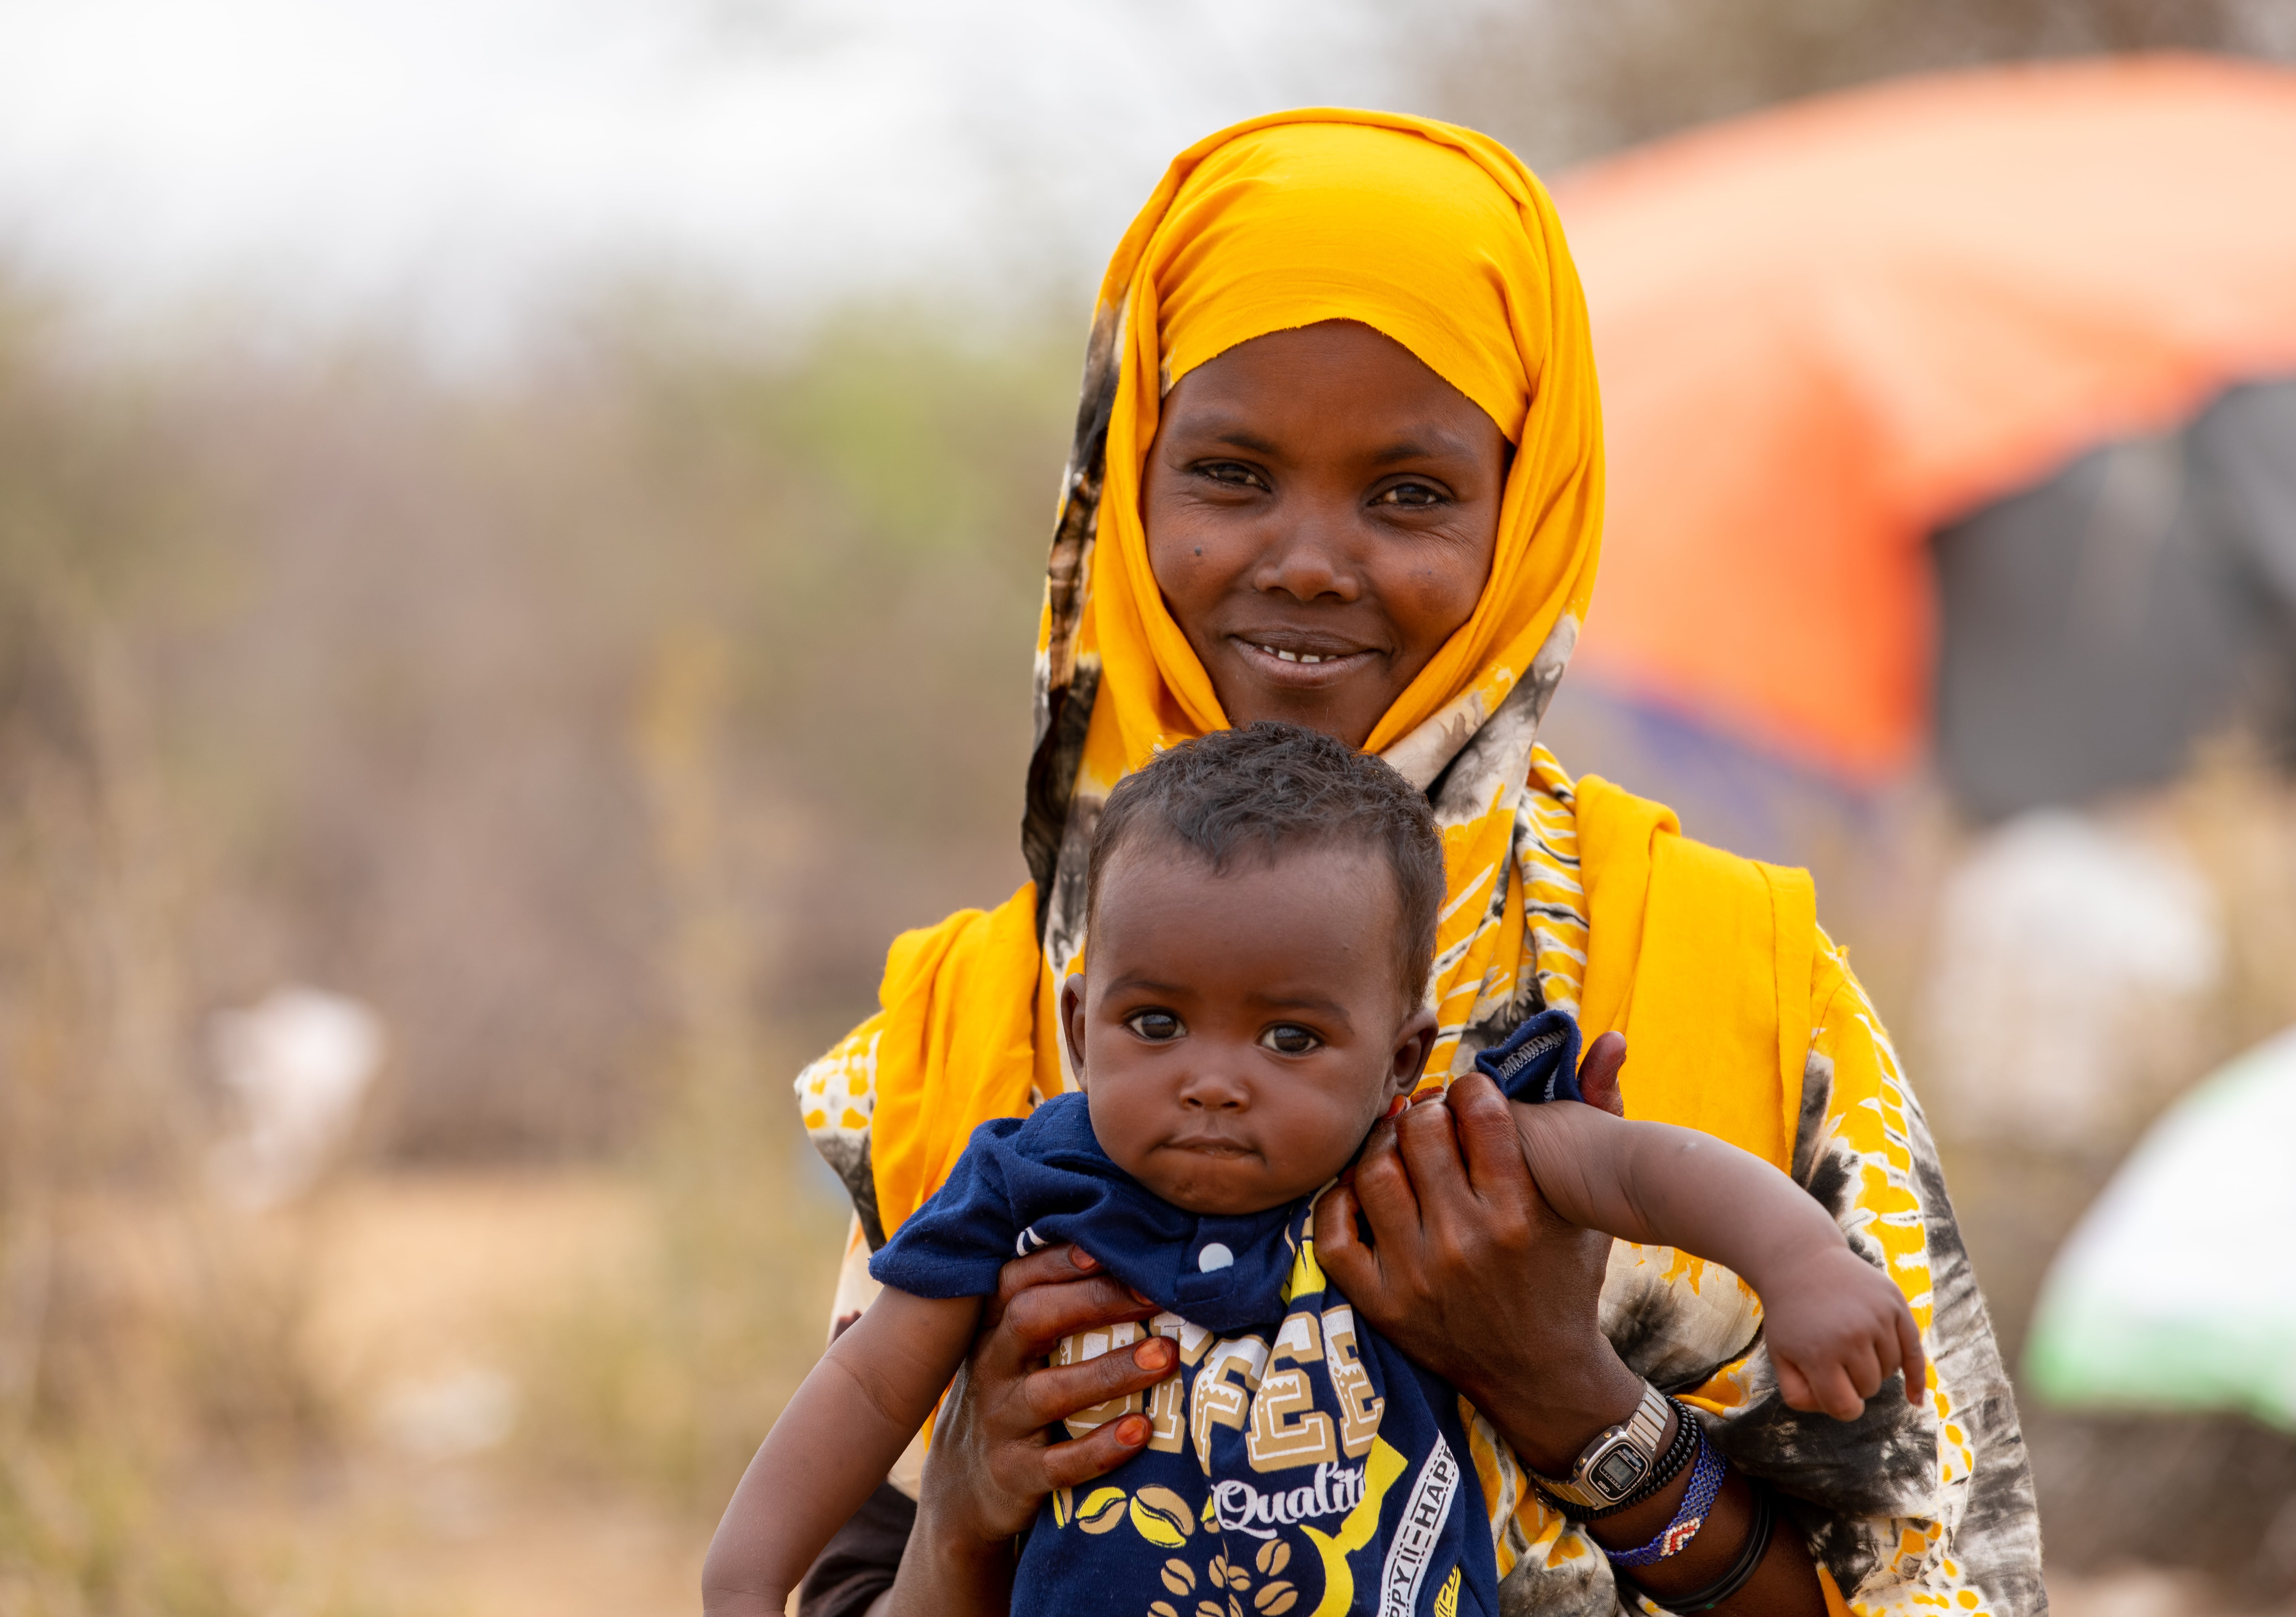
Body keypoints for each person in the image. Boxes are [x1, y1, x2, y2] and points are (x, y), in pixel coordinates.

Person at [787, 110, 2044, 1617]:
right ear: (1130, 483)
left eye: (1410, 494)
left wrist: (1575, 1396)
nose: (1311, 557)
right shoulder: (969, 1030)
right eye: (1234, 474)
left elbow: (1938, 1591)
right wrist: (975, 1506)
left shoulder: (1734, 976)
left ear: (1528, 514)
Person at [706, 725, 1929, 1617]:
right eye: (1155, 1025)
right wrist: (747, 1576)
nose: (1215, 1078)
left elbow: (1651, 1173)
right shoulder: (1028, 1185)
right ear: (1079, 1026)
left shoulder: (1433, 1156)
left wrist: (1803, 1260)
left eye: (1291, 1038)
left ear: (1399, 1055)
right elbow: (870, 1392)